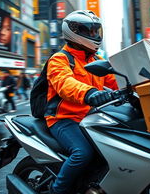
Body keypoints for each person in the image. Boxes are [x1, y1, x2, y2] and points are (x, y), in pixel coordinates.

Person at [46, 10, 118, 194]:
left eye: (96, 31)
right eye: (90, 31)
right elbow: (65, 83)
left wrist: (142, 83)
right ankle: (58, 190)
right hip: (63, 119)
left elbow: (117, 80)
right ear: (74, 32)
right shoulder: (60, 59)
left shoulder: (97, 60)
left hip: (89, 117)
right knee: (82, 153)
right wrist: (90, 93)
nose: (94, 35)